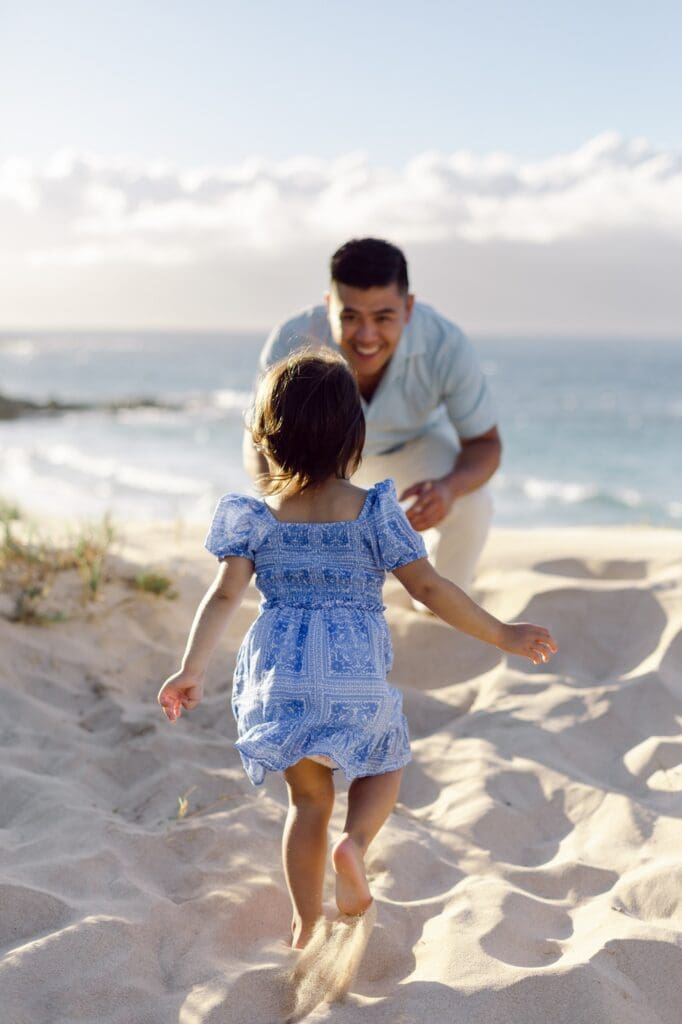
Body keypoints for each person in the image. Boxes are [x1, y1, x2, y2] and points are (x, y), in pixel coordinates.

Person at [159, 350, 556, 956]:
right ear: (355, 436)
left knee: (308, 801)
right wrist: (502, 633)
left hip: (281, 679)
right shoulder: (374, 512)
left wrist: (191, 669)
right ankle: (358, 845)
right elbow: (429, 589)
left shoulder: (253, 517)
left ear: (267, 439)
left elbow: (224, 594)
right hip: (353, 674)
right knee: (384, 761)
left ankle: (305, 924)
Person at [245, 237, 501, 598]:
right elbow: (259, 438)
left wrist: (447, 489)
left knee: (474, 501)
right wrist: (283, 498)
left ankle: (440, 607)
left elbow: (485, 445)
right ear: (329, 305)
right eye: (350, 317)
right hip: (317, 461)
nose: (367, 336)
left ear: (408, 308)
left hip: (411, 449)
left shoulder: (446, 344)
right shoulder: (290, 339)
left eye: (383, 317)